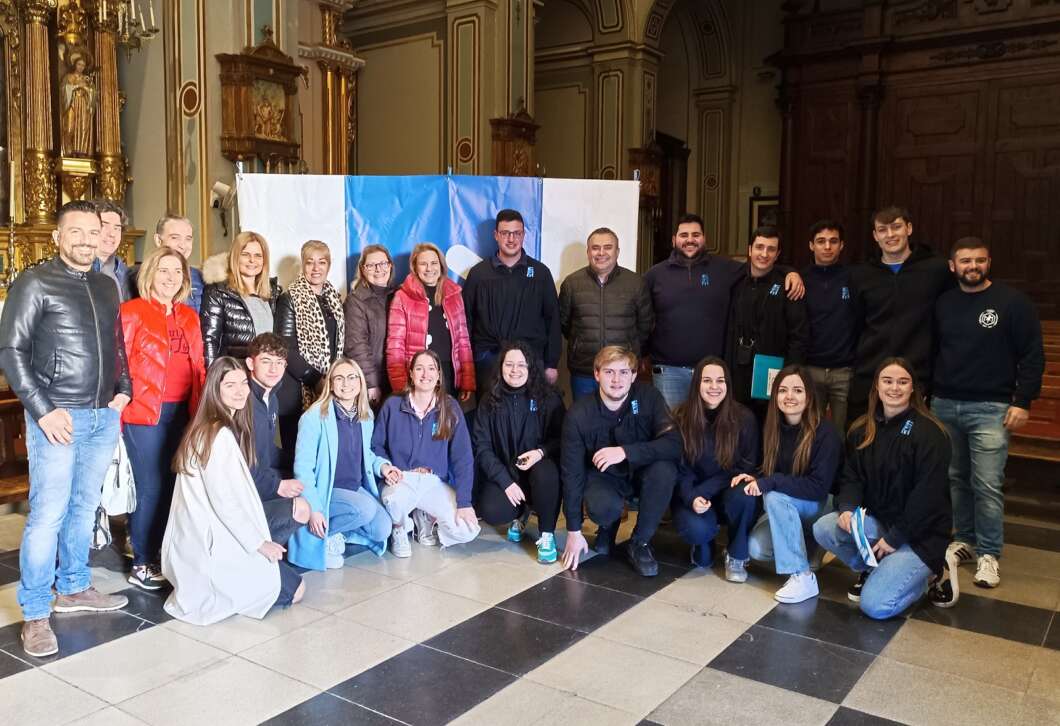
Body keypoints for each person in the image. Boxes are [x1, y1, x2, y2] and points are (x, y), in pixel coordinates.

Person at [0, 200, 131, 657]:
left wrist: (124, 389)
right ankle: (36, 612)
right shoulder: (34, 282)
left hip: (102, 414)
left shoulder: (106, 285)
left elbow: (117, 343)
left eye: (93, 232)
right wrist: (43, 411)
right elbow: (11, 351)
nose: (85, 240)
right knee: (48, 515)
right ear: (57, 237)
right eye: (75, 231)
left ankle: (74, 587)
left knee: (83, 507)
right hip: (58, 417)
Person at [932, 237, 1044, 589]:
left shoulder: (1012, 302)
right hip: (945, 404)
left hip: (991, 409)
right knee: (955, 479)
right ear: (953, 266)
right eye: (965, 261)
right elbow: (934, 350)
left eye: (979, 260)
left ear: (989, 262)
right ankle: (964, 539)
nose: (973, 267)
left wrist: (1022, 401)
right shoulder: (943, 303)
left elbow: (1032, 355)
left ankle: (989, 553)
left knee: (987, 484)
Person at [813, 357, 959, 618]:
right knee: (825, 527)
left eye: (902, 382)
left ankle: (930, 575)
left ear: (913, 389)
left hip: (919, 537)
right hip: (881, 524)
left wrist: (895, 538)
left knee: (875, 606)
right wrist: (847, 507)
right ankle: (875, 568)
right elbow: (851, 476)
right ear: (877, 387)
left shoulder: (931, 434)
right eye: (887, 381)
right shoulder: (862, 429)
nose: (894, 388)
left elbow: (928, 497)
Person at [163, 357, 305, 625]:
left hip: (220, 531)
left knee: (291, 577)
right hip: (213, 542)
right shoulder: (217, 436)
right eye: (230, 385)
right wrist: (259, 544)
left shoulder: (215, 426)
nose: (240, 391)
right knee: (296, 591)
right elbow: (224, 502)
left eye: (243, 383)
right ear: (215, 390)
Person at [644, 214, 804, 408]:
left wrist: (791, 272)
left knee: (710, 424)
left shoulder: (724, 268)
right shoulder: (654, 275)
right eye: (684, 235)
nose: (690, 240)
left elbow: (761, 265)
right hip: (669, 372)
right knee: (671, 424)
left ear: (704, 238)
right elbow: (643, 317)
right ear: (674, 240)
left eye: (696, 235)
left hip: (712, 373)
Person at [120, 246, 207, 590]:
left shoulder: (189, 316)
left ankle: (164, 553)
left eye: (177, 272)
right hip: (145, 414)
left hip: (183, 411)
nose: (170, 278)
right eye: (163, 270)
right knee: (151, 486)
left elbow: (199, 366)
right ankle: (142, 561)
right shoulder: (132, 312)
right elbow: (119, 366)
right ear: (150, 274)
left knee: (175, 484)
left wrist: (202, 411)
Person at [561, 346, 681, 577]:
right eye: (609, 372)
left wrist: (626, 452)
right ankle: (608, 525)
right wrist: (574, 531)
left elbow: (674, 444)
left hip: (641, 471)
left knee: (665, 470)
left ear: (634, 375)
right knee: (603, 508)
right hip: (603, 477)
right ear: (596, 374)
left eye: (624, 372)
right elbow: (571, 474)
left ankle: (640, 542)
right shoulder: (578, 414)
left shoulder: (649, 397)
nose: (617, 380)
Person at [289, 358, 399, 570]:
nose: (346, 383)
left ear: (360, 382)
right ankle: (326, 535)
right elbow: (303, 469)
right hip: (327, 491)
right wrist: (314, 509)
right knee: (365, 509)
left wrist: (383, 467)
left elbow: (367, 454)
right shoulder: (313, 417)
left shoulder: (365, 416)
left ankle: (341, 529)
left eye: (351, 377)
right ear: (330, 384)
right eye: (339, 378)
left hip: (353, 489)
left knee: (382, 529)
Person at [744, 365, 842, 603]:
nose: (790, 396)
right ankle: (806, 547)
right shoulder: (771, 428)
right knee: (756, 548)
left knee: (774, 495)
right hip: (788, 507)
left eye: (798, 390)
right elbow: (765, 469)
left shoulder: (826, 432)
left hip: (821, 506)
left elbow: (818, 488)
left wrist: (772, 481)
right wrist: (752, 477)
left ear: (809, 397)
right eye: (783, 390)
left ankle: (802, 576)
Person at [371, 350, 480, 557]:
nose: (425, 374)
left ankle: (425, 517)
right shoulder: (393, 405)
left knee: (467, 529)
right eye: (419, 368)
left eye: (431, 369)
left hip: (433, 481)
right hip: (402, 479)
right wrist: (387, 468)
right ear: (411, 374)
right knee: (394, 502)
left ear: (439, 375)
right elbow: (376, 446)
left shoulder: (450, 407)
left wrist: (464, 503)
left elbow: (463, 458)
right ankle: (400, 528)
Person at [849, 205, 953, 421]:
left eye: (896, 227)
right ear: (875, 236)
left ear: (909, 228)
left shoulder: (937, 270)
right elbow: (855, 323)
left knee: (912, 439)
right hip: (869, 375)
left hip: (917, 376)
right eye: (883, 229)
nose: (890, 234)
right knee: (861, 437)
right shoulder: (861, 275)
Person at [201, 230, 299, 450]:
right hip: (238, 380)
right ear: (236, 257)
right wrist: (215, 383)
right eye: (246, 254)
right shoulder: (218, 292)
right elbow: (209, 341)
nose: (252, 261)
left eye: (258, 255)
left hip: (266, 381)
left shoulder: (272, 294)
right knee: (241, 443)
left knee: (264, 443)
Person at [473, 342, 565, 563]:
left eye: (521, 365)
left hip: (541, 472)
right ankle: (521, 514)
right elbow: (482, 446)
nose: (515, 370)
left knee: (546, 473)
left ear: (530, 367)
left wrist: (541, 452)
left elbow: (564, 438)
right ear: (501, 367)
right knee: (491, 509)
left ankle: (546, 534)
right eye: (509, 364)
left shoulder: (548, 398)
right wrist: (505, 481)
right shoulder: (489, 400)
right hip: (509, 473)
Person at [670, 357, 760, 581]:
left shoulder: (744, 418)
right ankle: (705, 539)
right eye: (707, 380)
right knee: (699, 542)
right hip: (693, 494)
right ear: (697, 384)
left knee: (746, 492)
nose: (714, 386)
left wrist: (704, 491)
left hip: (727, 491)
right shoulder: (680, 417)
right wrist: (691, 497)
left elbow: (744, 467)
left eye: (720, 380)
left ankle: (737, 553)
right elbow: (678, 467)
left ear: (728, 385)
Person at [462, 209, 562, 390]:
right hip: (488, 361)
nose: (511, 239)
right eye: (505, 233)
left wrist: (551, 363)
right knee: (489, 407)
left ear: (523, 235)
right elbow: (465, 320)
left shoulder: (540, 273)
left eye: (516, 233)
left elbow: (553, 320)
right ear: (496, 235)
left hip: (531, 361)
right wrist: (468, 364)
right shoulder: (479, 274)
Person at [558, 227, 653, 399]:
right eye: (595, 248)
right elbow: (564, 325)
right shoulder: (571, 284)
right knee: (585, 415)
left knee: (623, 416)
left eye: (608, 247)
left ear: (617, 251)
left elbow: (645, 326)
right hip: (585, 371)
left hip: (623, 371)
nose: (601, 253)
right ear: (588, 252)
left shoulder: (636, 284)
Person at [725, 226, 807, 417]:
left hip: (773, 372)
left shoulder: (788, 285)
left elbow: (799, 335)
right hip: (737, 372)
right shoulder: (735, 281)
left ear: (777, 254)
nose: (764, 254)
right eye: (759, 247)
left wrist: (790, 375)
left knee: (769, 426)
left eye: (771, 249)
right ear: (749, 249)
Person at [244, 334, 312, 552]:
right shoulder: (243, 401)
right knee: (301, 506)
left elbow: (268, 451)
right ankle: (256, 554)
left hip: (261, 477)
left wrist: (302, 461)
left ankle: (299, 548)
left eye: (280, 362)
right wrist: (278, 486)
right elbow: (240, 466)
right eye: (266, 361)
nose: (274, 369)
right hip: (244, 489)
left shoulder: (270, 397)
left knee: (308, 479)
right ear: (250, 363)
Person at [386, 243, 475, 400]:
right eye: (423, 264)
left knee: (447, 415)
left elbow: (463, 340)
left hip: (449, 373)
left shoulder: (454, 294)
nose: (429, 269)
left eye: (434, 263)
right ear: (415, 267)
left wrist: (467, 381)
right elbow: (395, 346)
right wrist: (400, 387)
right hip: (419, 376)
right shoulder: (402, 297)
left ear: (441, 265)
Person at [802, 220, 857, 432]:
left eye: (833, 241)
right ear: (811, 245)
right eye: (821, 241)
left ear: (841, 245)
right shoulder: (800, 278)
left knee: (841, 434)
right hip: (811, 369)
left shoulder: (853, 278)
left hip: (844, 371)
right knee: (810, 432)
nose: (827, 246)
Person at [274, 240, 345, 403]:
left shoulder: (334, 299)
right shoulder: (289, 298)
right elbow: (285, 347)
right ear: (303, 265)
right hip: (298, 387)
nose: (316, 268)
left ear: (329, 266)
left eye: (322, 262)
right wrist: (316, 380)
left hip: (330, 382)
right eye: (310, 262)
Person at [344, 244, 396, 407]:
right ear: (362, 269)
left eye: (383, 263)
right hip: (375, 381)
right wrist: (371, 383)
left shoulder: (399, 295)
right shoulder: (355, 301)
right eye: (371, 265)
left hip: (397, 377)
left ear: (390, 266)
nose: (378, 269)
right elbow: (356, 345)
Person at [129, 215, 206, 312]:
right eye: (175, 238)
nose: (182, 245)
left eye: (188, 239)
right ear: (158, 240)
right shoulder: (136, 276)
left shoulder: (200, 277)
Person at [91, 199, 133, 302]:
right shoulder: (77, 270)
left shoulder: (127, 274)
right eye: (104, 226)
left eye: (117, 228)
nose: (112, 234)